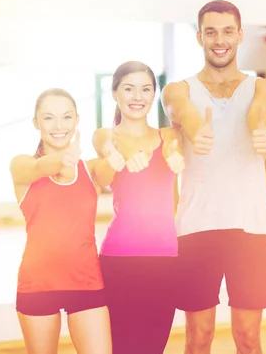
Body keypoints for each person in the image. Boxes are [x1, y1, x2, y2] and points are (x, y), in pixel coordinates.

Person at [161, 0, 266, 354]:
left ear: (240, 35)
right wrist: (196, 132)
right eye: (211, 32)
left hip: (251, 226)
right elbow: (184, 112)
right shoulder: (178, 89)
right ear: (199, 37)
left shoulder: (262, 87)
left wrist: (260, 130)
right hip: (198, 226)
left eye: (228, 31)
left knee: (249, 337)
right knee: (198, 337)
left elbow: (261, 111)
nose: (219, 39)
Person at [10, 88, 117, 354]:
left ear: (76, 120)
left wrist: (115, 157)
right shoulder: (21, 165)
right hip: (37, 285)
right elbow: (38, 168)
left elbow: (109, 165)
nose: (59, 126)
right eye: (48, 118)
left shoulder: (89, 169)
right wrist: (61, 159)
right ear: (36, 122)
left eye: (66, 117)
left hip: (87, 283)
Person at [93, 61, 185, 354]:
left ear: (154, 94)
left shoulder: (168, 136)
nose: (137, 97)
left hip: (165, 257)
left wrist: (173, 155)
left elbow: (174, 149)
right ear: (115, 93)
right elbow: (105, 164)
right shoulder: (105, 136)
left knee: (153, 346)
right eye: (129, 88)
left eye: (146, 89)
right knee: (122, 345)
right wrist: (115, 157)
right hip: (120, 258)